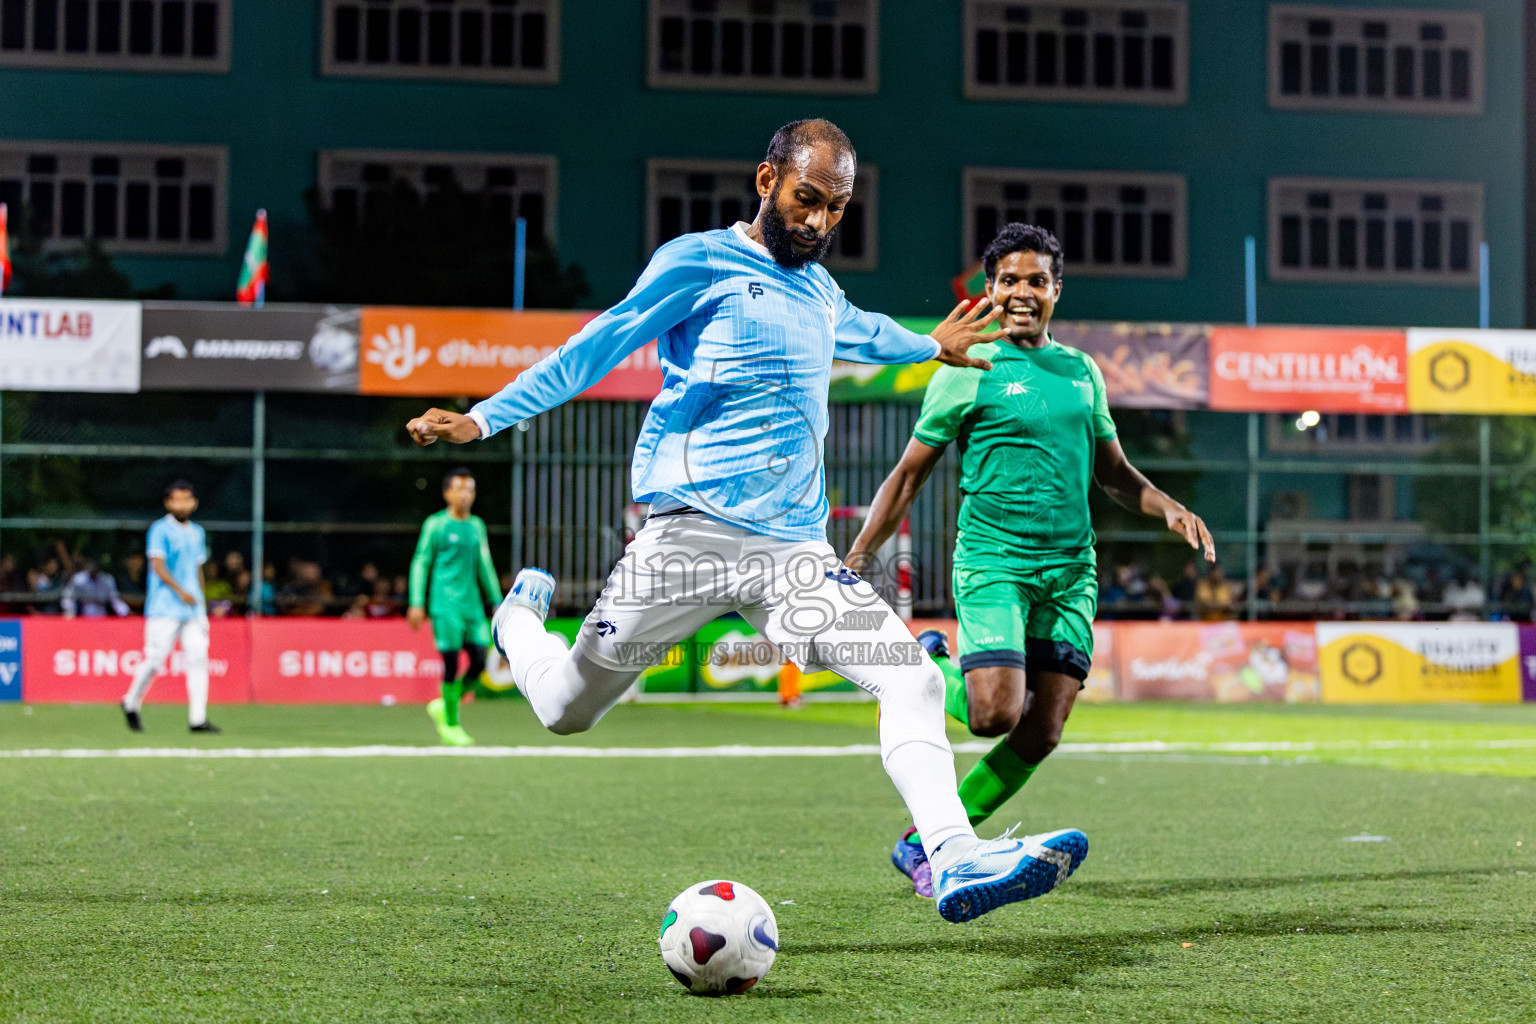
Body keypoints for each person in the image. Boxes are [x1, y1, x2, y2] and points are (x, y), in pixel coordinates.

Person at [405, 120, 1088, 924]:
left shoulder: (819, 290)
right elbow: (594, 347)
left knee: (906, 677)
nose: (819, 222)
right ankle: (518, 618)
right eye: (806, 200)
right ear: (766, 181)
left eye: (836, 208)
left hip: (792, 555)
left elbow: (865, 331)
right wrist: (482, 420)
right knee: (565, 709)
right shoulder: (698, 261)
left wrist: (927, 344)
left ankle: (953, 855)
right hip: (687, 539)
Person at [845, 222, 1215, 900]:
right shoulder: (968, 366)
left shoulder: (1081, 371)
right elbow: (907, 476)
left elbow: (1114, 473)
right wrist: (860, 555)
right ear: (990, 289)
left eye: (1036, 281)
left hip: (1070, 571)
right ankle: (930, 669)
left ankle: (918, 843)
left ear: (1055, 290)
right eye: (1009, 280)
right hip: (994, 561)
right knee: (992, 716)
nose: (1022, 292)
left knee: (1043, 729)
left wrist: (1166, 507)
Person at [408, 467, 502, 746]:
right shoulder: (435, 524)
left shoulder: (476, 526)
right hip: (444, 604)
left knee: (479, 661)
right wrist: (416, 601)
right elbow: (421, 561)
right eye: (459, 488)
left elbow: (484, 564)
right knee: (450, 661)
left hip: (471, 605)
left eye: (470, 489)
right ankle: (451, 723)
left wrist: (496, 601)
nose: (465, 495)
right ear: (447, 492)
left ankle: (444, 705)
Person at [121, 480, 219, 734]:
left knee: (198, 659)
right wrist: (181, 592)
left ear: (194, 503)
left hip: (193, 609)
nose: (182, 504)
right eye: (176, 499)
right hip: (165, 607)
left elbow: (198, 568)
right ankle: (131, 701)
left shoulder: (197, 532)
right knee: (155, 660)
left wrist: (201, 601)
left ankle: (198, 719)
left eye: (186, 499)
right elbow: (158, 566)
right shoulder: (159, 529)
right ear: (168, 502)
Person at [60, 559, 130, 618]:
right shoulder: (79, 579)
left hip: (102, 613)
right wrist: (70, 611)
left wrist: (125, 612)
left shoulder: (107, 580)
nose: (92, 568)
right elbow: (68, 597)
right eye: (90, 565)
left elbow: (115, 600)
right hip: (83, 612)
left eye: (95, 566)